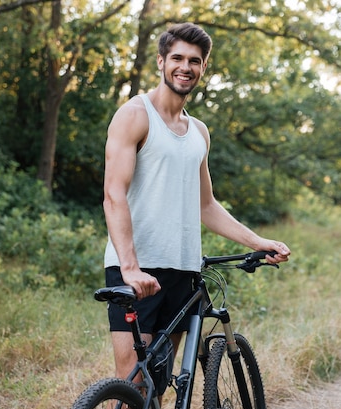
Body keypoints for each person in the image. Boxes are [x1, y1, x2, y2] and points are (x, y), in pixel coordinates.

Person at [102, 22, 291, 389]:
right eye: (177, 58)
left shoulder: (199, 132)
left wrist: (257, 242)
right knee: (132, 383)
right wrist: (130, 268)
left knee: (158, 384)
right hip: (138, 270)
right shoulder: (135, 115)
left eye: (195, 60)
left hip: (184, 271)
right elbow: (114, 195)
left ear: (203, 68)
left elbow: (206, 205)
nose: (185, 67)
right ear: (161, 61)